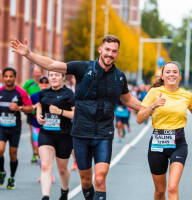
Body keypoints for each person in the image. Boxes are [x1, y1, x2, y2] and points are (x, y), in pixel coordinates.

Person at [10, 35, 141, 200]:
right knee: (86, 181)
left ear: (117, 54)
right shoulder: (83, 68)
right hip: (80, 133)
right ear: (100, 49)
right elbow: (51, 64)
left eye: (114, 51)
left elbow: (128, 99)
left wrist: (149, 108)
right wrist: (29, 54)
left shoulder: (119, 77)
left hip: (103, 133)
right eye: (107, 49)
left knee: (100, 178)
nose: (110, 54)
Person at [137, 61, 192, 200]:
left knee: (172, 188)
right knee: (160, 191)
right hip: (157, 145)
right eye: (168, 72)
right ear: (162, 76)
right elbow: (139, 118)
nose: (171, 74)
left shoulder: (186, 95)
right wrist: (153, 105)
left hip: (178, 144)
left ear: (179, 75)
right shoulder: (154, 92)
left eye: (175, 72)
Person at [36, 71, 75, 200]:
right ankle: (45, 196)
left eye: (57, 75)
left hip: (64, 135)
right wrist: (38, 115)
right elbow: (40, 105)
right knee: (46, 166)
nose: (53, 77)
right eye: (51, 75)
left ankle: (64, 190)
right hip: (46, 133)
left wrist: (60, 112)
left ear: (63, 77)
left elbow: (76, 115)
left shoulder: (69, 94)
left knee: (62, 169)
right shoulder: (44, 93)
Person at [0, 67, 33, 189]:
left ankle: (12, 178)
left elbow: (30, 108)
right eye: (6, 76)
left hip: (14, 129)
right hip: (1, 128)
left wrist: (19, 108)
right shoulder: (0, 92)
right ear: (3, 78)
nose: (8, 79)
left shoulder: (20, 93)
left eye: (11, 76)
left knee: (13, 154)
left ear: (15, 77)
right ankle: (2, 171)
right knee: (0, 149)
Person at [23, 66, 42, 164]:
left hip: (42, 112)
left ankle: (40, 151)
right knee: (33, 132)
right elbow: (23, 94)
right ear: (33, 73)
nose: (37, 74)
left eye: (39, 72)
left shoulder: (43, 82)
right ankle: (35, 151)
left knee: (41, 133)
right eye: (36, 72)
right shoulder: (28, 83)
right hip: (32, 111)